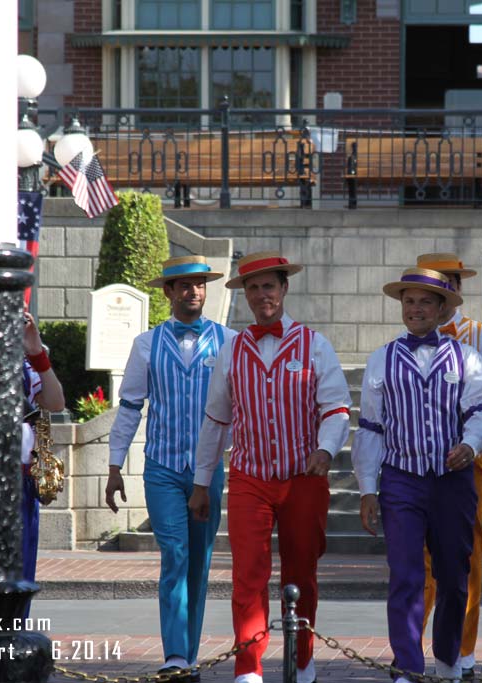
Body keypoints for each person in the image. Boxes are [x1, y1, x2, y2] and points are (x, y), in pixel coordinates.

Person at [188, 251, 351, 683]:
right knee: (248, 574)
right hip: (249, 478)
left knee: (302, 572)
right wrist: (202, 482)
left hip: (304, 478)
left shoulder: (315, 344)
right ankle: (249, 668)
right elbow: (216, 419)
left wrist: (326, 449)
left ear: (285, 289)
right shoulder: (230, 350)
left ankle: (302, 658)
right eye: (254, 287)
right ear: (244, 295)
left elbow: (336, 408)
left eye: (270, 286)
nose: (263, 295)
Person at [352, 267, 482, 683]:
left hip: (453, 482)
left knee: (454, 576)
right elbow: (371, 427)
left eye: (425, 302)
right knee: (406, 574)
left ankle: (448, 660)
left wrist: (470, 445)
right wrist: (367, 489)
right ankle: (407, 668)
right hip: (401, 480)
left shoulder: (465, 357)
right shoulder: (381, 358)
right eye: (409, 301)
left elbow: (480, 412)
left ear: (441, 309)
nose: (415, 309)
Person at [105, 255, 234, 678]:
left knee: (198, 561)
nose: (193, 292)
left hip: (208, 470)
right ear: (168, 292)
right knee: (174, 552)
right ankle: (175, 655)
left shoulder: (228, 342)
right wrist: (114, 464)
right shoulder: (147, 344)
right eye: (183, 285)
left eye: (199, 285)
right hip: (161, 467)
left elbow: (240, 408)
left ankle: (189, 655)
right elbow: (129, 407)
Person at [414, 252, 482, 679]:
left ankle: (462, 651)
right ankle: (410, 645)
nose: (443, 290)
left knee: (465, 555)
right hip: (413, 464)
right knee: (415, 558)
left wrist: (472, 445)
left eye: (448, 282)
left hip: (465, 463)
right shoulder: (406, 340)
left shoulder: (480, 337)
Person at [19, 311, 65, 608]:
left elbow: (55, 400)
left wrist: (36, 353)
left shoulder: (24, 363)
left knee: (21, 573)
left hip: (20, 477)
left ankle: (11, 639)